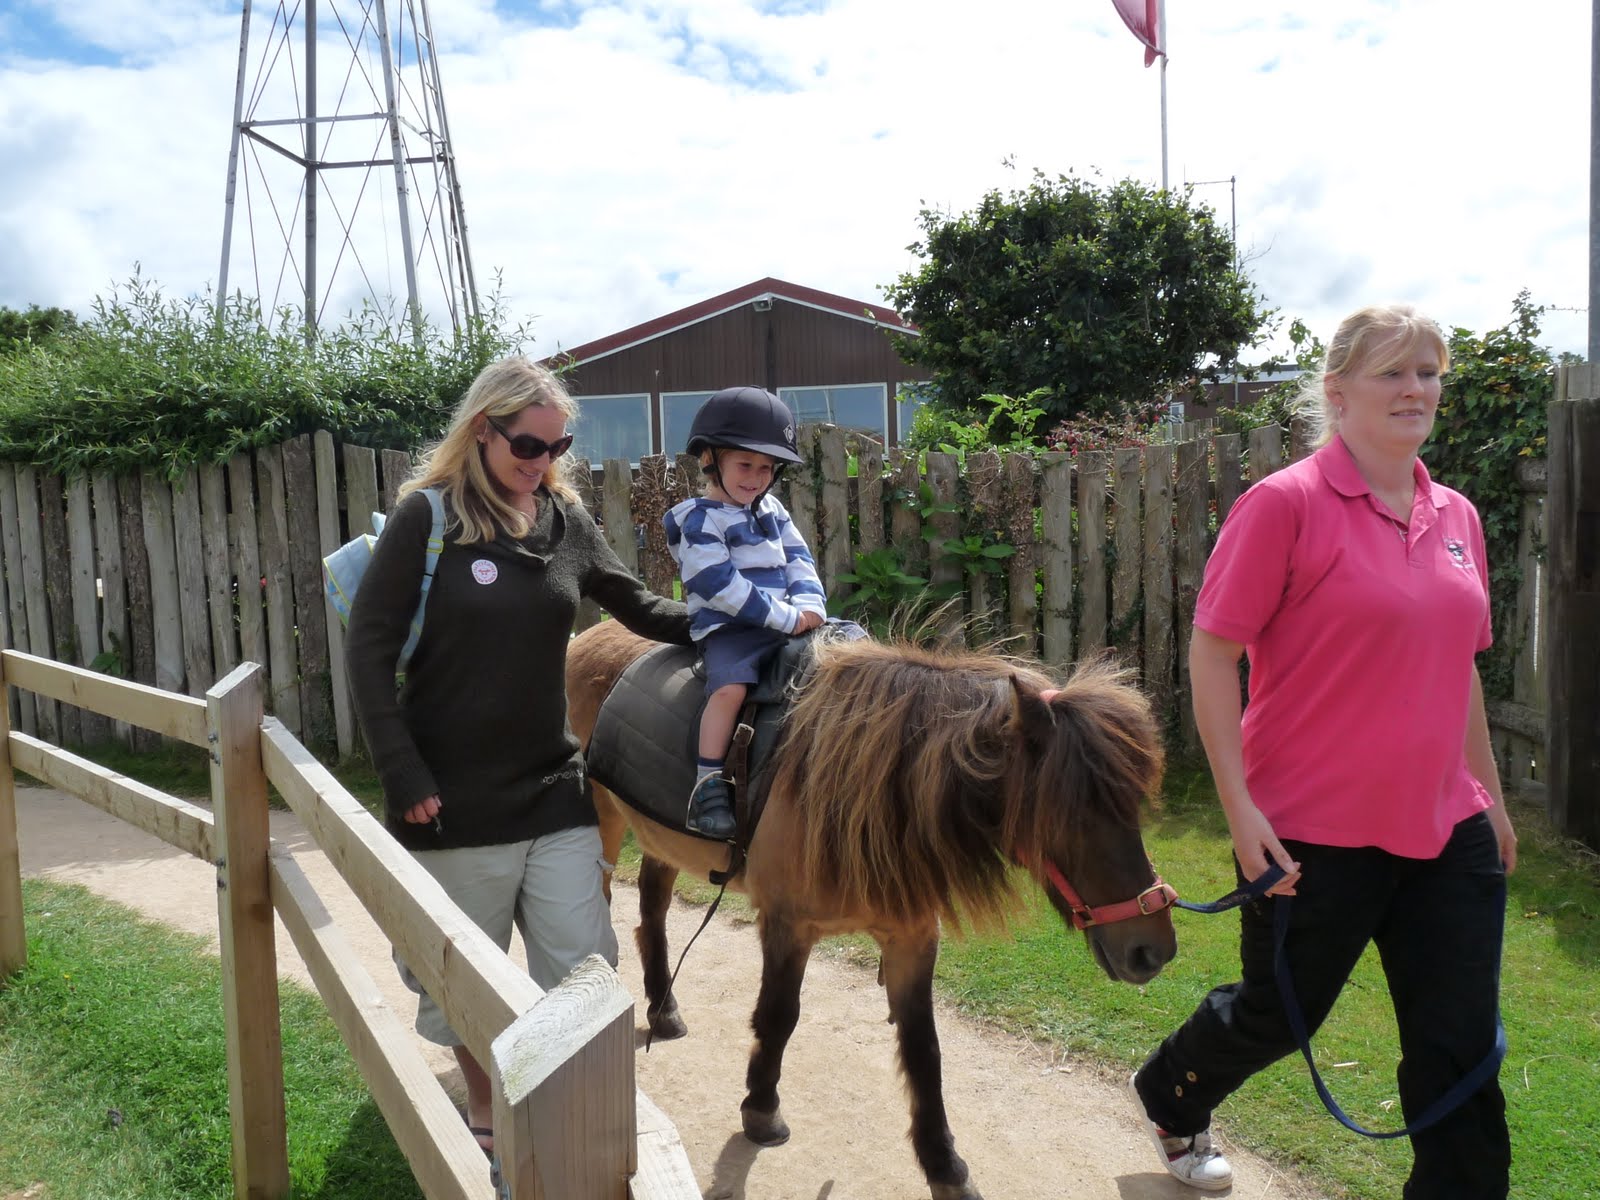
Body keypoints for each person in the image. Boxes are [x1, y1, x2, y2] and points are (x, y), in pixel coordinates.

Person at [1127, 305, 1518, 1197]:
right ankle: (1172, 1090)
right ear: (1338, 392)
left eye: (1429, 372)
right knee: (1279, 1018)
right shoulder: (1284, 504)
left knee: (1458, 1047)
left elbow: (1458, 669)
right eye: (1393, 372)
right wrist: (1240, 811)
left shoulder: (1458, 515)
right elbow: (1214, 655)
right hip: (1310, 832)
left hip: (1446, 829)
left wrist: (1489, 801)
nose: (1416, 389)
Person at [344, 356, 691, 1157]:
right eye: (528, 445)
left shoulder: (564, 520)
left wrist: (729, 624)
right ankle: (488, 1108)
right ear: (482, 429)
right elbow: (368, 649)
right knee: (467, 979)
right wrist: (401, 771)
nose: (543, 461)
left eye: (556, 446)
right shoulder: (428, 519)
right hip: (452, 802)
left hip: (554, 792)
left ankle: (568, 1118)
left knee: (583, 969)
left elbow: (635, 605)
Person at [663, 386, 828, 839]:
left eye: (766, 467)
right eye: (745, 464)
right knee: (730, 688)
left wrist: (810, 606)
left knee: (850, 654)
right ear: (709, 459)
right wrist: (786, 618)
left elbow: (799, 560)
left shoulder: (772, 510)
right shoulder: (700, 519)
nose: (756, 477)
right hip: (732, 629)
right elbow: (718, 585)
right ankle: (708, 783)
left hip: (786, 622)